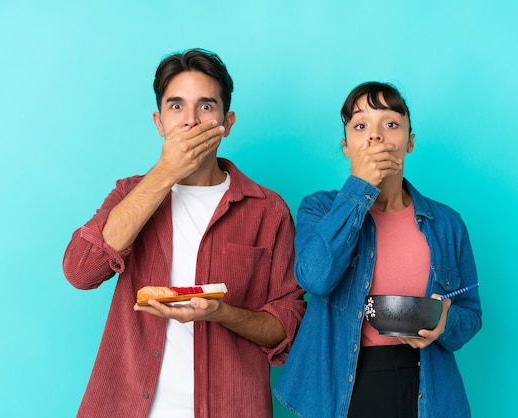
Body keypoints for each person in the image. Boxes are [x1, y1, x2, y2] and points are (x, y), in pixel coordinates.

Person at [62, 48, 306, 418]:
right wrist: (164, 172)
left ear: (228, 122)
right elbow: (80, 271)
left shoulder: (267, 210)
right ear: (159, 122)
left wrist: (223, 314)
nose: (190, 121)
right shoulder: (129, 194)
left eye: (206, 107)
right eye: (177, 107)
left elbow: (286, 327)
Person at [274, 82, 482, 418]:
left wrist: (447, 322)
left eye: (391, 124)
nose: (376, 136)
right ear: (346, 146)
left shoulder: (447, 223)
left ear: (409, 142)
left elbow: (471, 313)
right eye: (360, 126)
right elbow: (314, 277)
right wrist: (360, 188)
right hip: (344, 386)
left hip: (426, 385)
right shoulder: (320, 209)